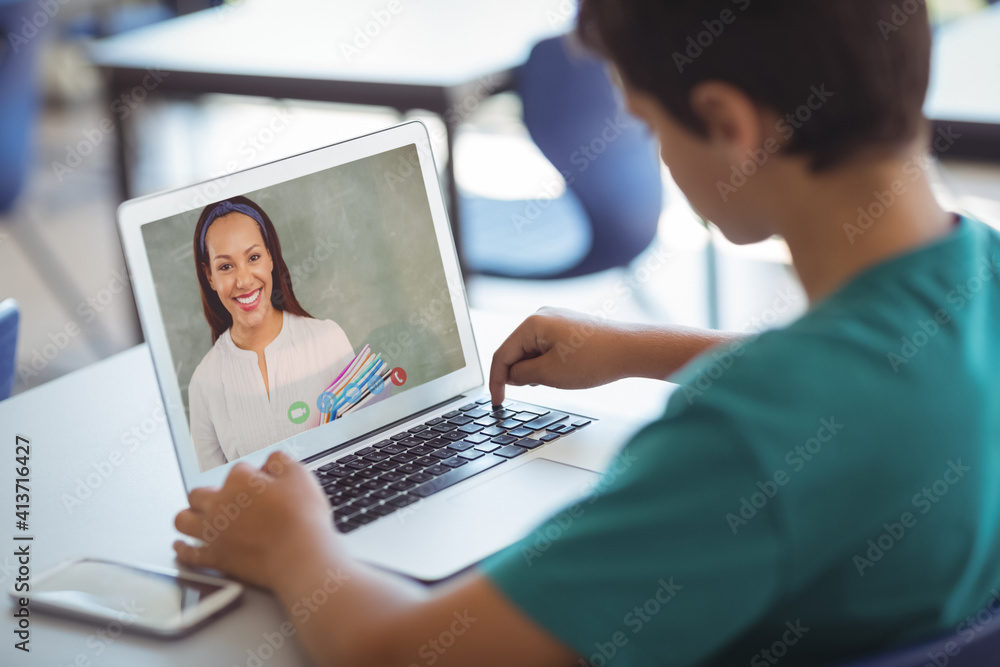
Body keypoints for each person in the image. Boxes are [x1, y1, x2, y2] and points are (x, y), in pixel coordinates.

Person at [172, 1, 1000, 664]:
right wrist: (641, 350)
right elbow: (878, 378)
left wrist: (295, 546)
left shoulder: (741, 447)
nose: (659, 153)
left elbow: (407, 650)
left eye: (648, 125)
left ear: (729, 124)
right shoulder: (977, 275)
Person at [187, 196, 353, 471]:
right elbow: (217, 494)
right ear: (210, 277)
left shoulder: (328, 340)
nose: (243, 280)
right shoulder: (204, 384)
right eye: (225, 266)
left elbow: (367, 449)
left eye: (253, 258)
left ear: (271, 257)